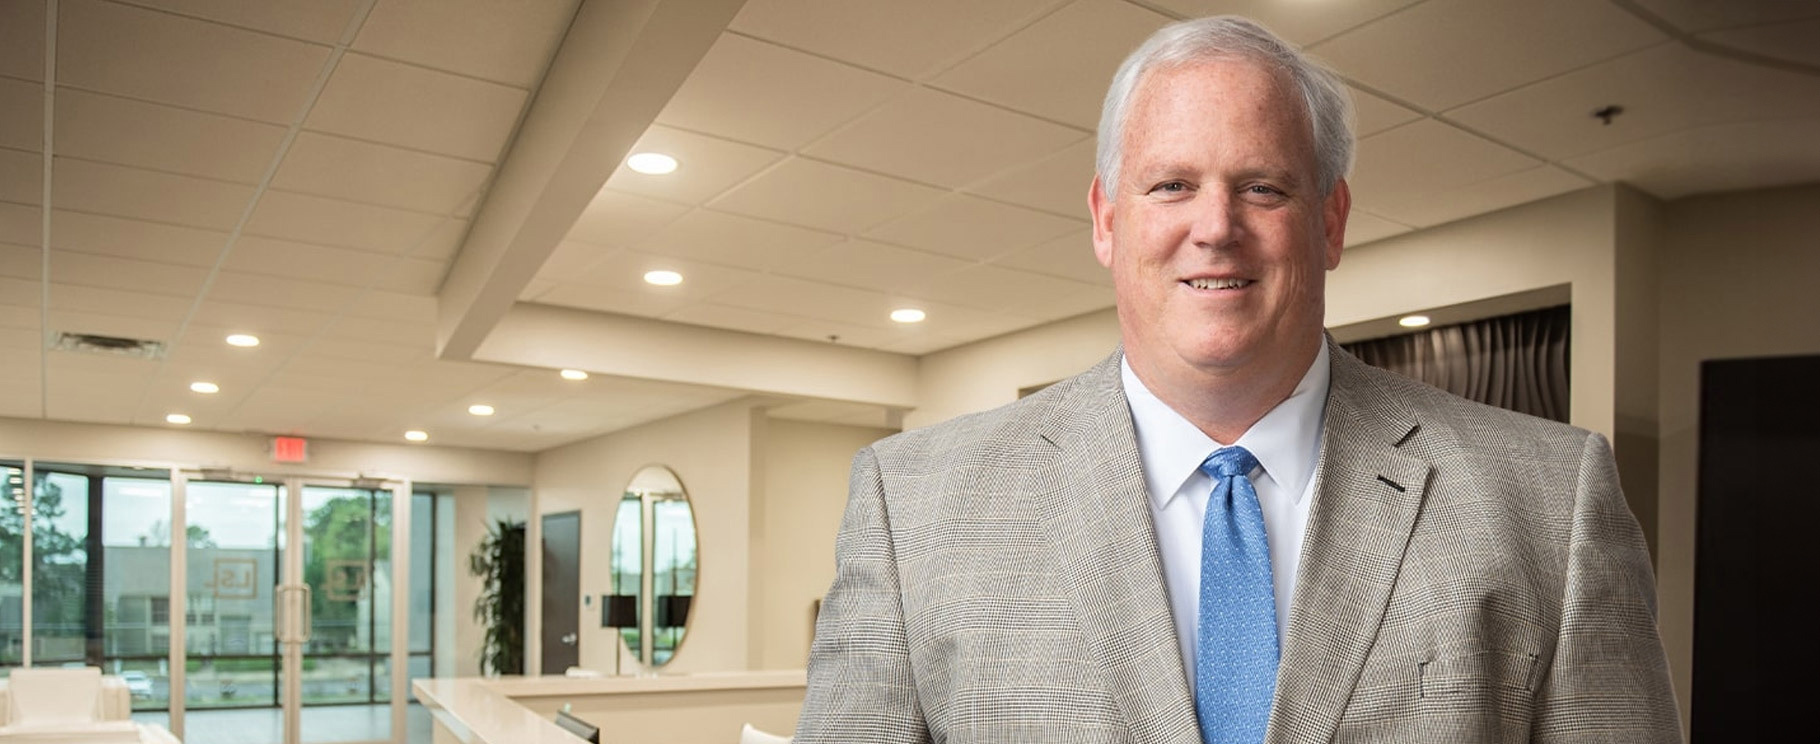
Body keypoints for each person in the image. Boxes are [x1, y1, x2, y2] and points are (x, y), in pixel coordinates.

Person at [794, 15, 1679, 744]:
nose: (1215, 228)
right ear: (1107, 221)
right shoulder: (912, 511)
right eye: (1171, 184)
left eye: (1262, 188)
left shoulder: (1549, 500)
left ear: (1329, 221)